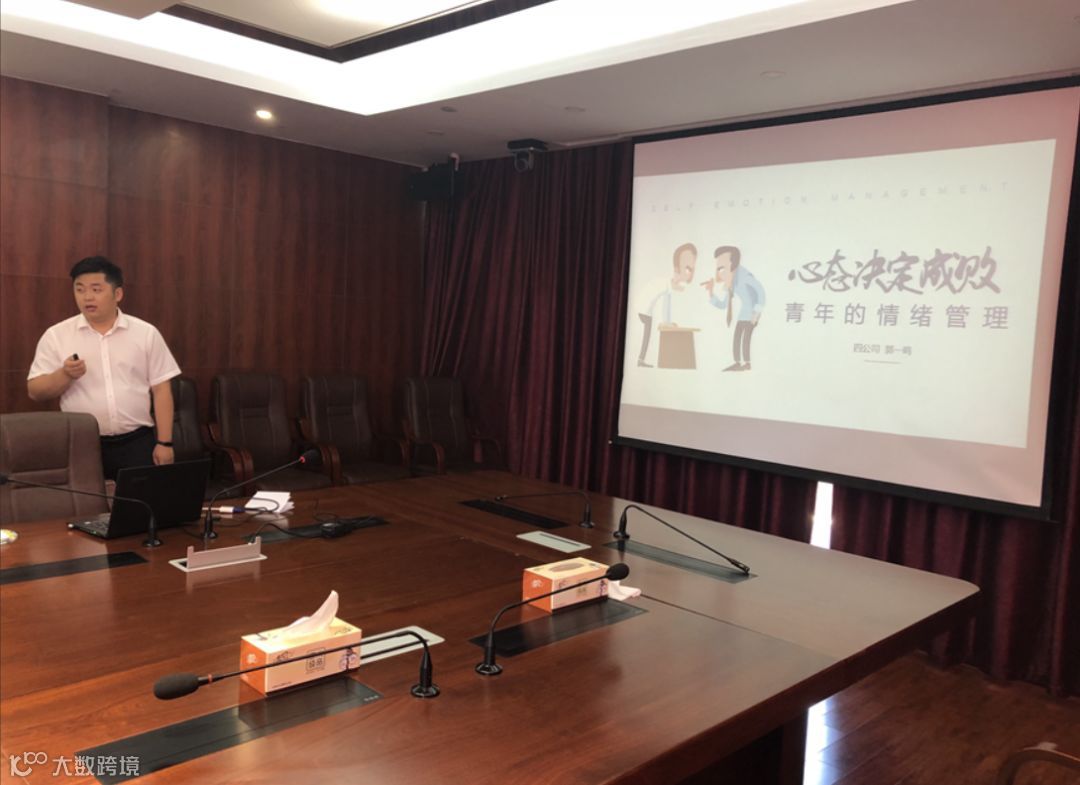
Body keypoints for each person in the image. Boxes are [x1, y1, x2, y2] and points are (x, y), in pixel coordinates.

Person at [27, 256, 181, 479]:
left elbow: (161, 389)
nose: (87, 297)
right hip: (82, 444)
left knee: (138, 500)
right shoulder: (57, 336)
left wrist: (165, 443)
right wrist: (65, 374)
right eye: (80, 289)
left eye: (96, 289)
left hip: (136, 441)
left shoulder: (145, 333)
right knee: (86, 501)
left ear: (117, 294)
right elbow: (35, 391)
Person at [703, 245, 765, 372]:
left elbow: (761, 292)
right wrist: (710, 292)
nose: (719, 273)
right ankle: (737, 362)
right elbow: (723, 304)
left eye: (722, 268)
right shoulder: (731, 281)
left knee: (746, 339)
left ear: (733, 264)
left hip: (752, 314)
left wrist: (757, 312)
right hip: (743, 314)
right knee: (737, 338)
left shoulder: (745, 277)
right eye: (718, 268)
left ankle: (747, 364)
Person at [635, 242, 697, 367]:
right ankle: (641, 360)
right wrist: (666, 323)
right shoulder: (666, 285)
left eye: (692, 269)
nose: (691, 274)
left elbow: (666, 304)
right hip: (644, 311)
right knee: (648, 335)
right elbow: (664, 305)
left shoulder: (667, 286)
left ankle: (641, 359)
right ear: (676, 268)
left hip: (646, 311)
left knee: (648, 334)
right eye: (688, 269)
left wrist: (667, 322)